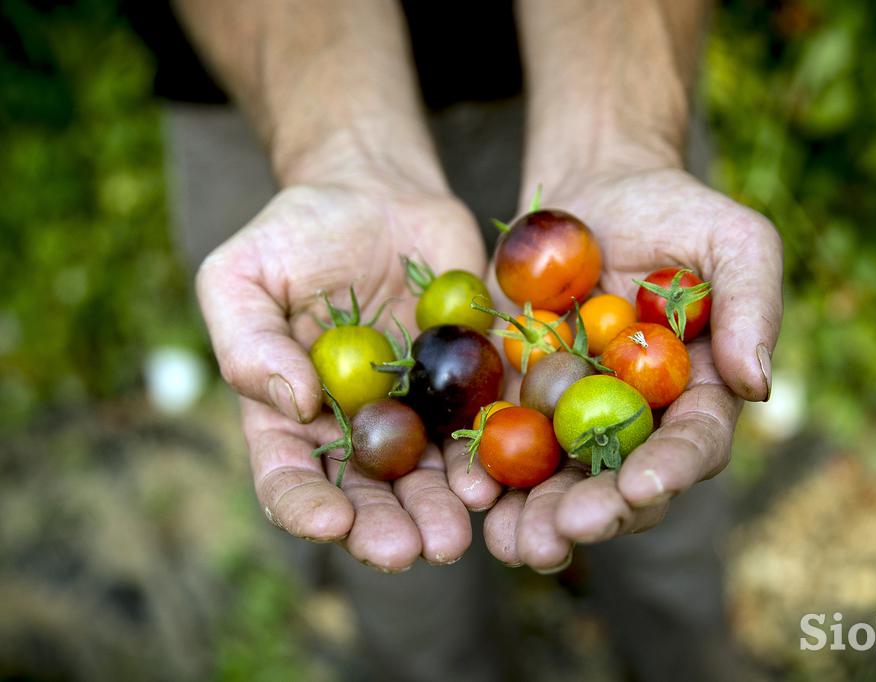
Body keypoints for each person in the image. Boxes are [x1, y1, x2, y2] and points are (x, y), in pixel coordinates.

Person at [172, 0, 783, 678]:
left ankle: (685, 656)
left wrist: (620, 145)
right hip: (266, 95)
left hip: (609, 64)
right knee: (404, 592)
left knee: (669, 543)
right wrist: (337, 158)